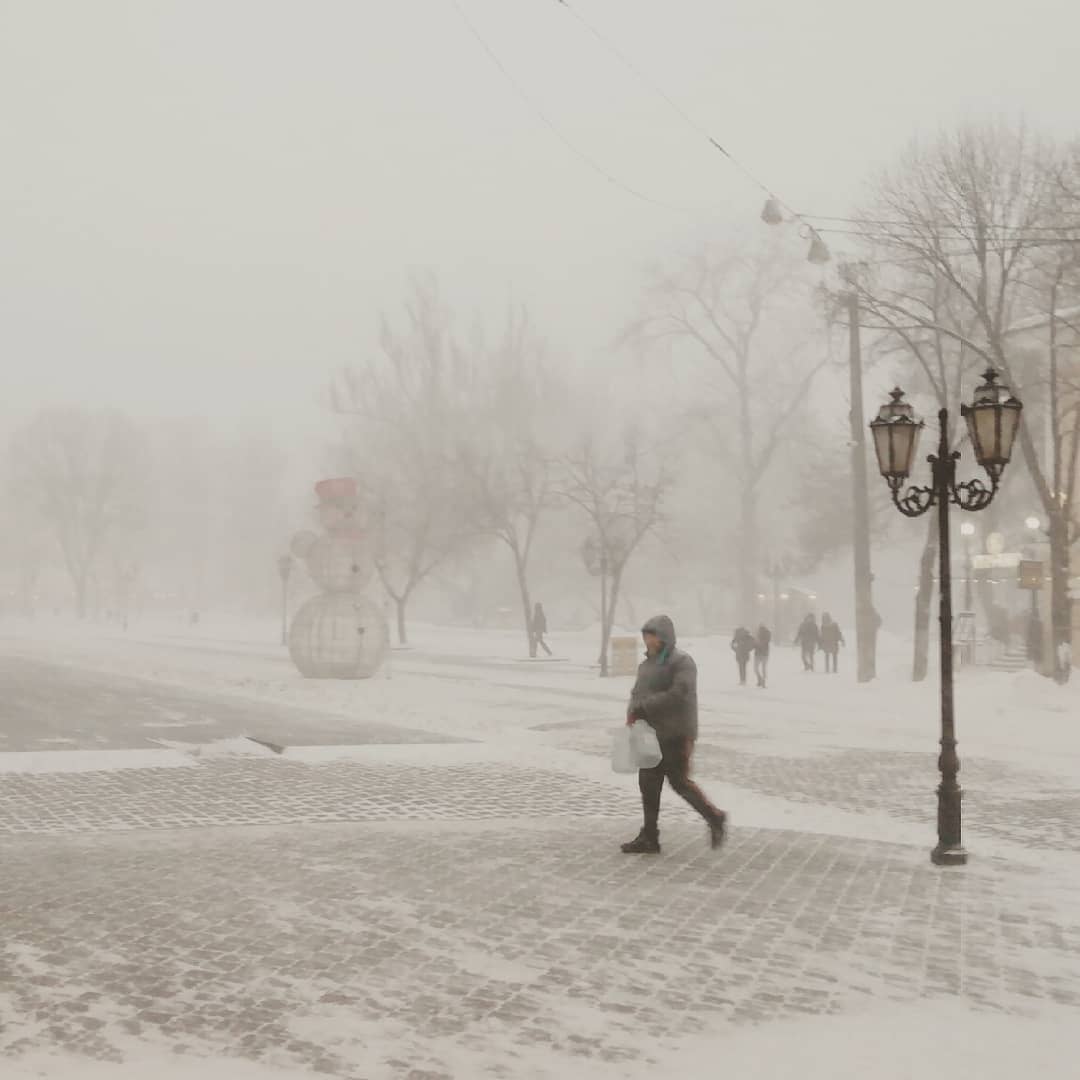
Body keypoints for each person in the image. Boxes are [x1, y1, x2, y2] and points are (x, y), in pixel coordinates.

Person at [621, 615, 727, 855]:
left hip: (676, 733)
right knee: (648, 783)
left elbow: (679, 692)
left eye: (653, 635)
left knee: (679, 782)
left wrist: (645, 706)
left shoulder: (682, 662)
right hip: (650, 734)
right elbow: (638, 693)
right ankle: (650, 836)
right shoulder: (646, 664)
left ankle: (715, 817)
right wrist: (632, 715)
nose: (648, 640)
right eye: (646, 635)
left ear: (664, 637)